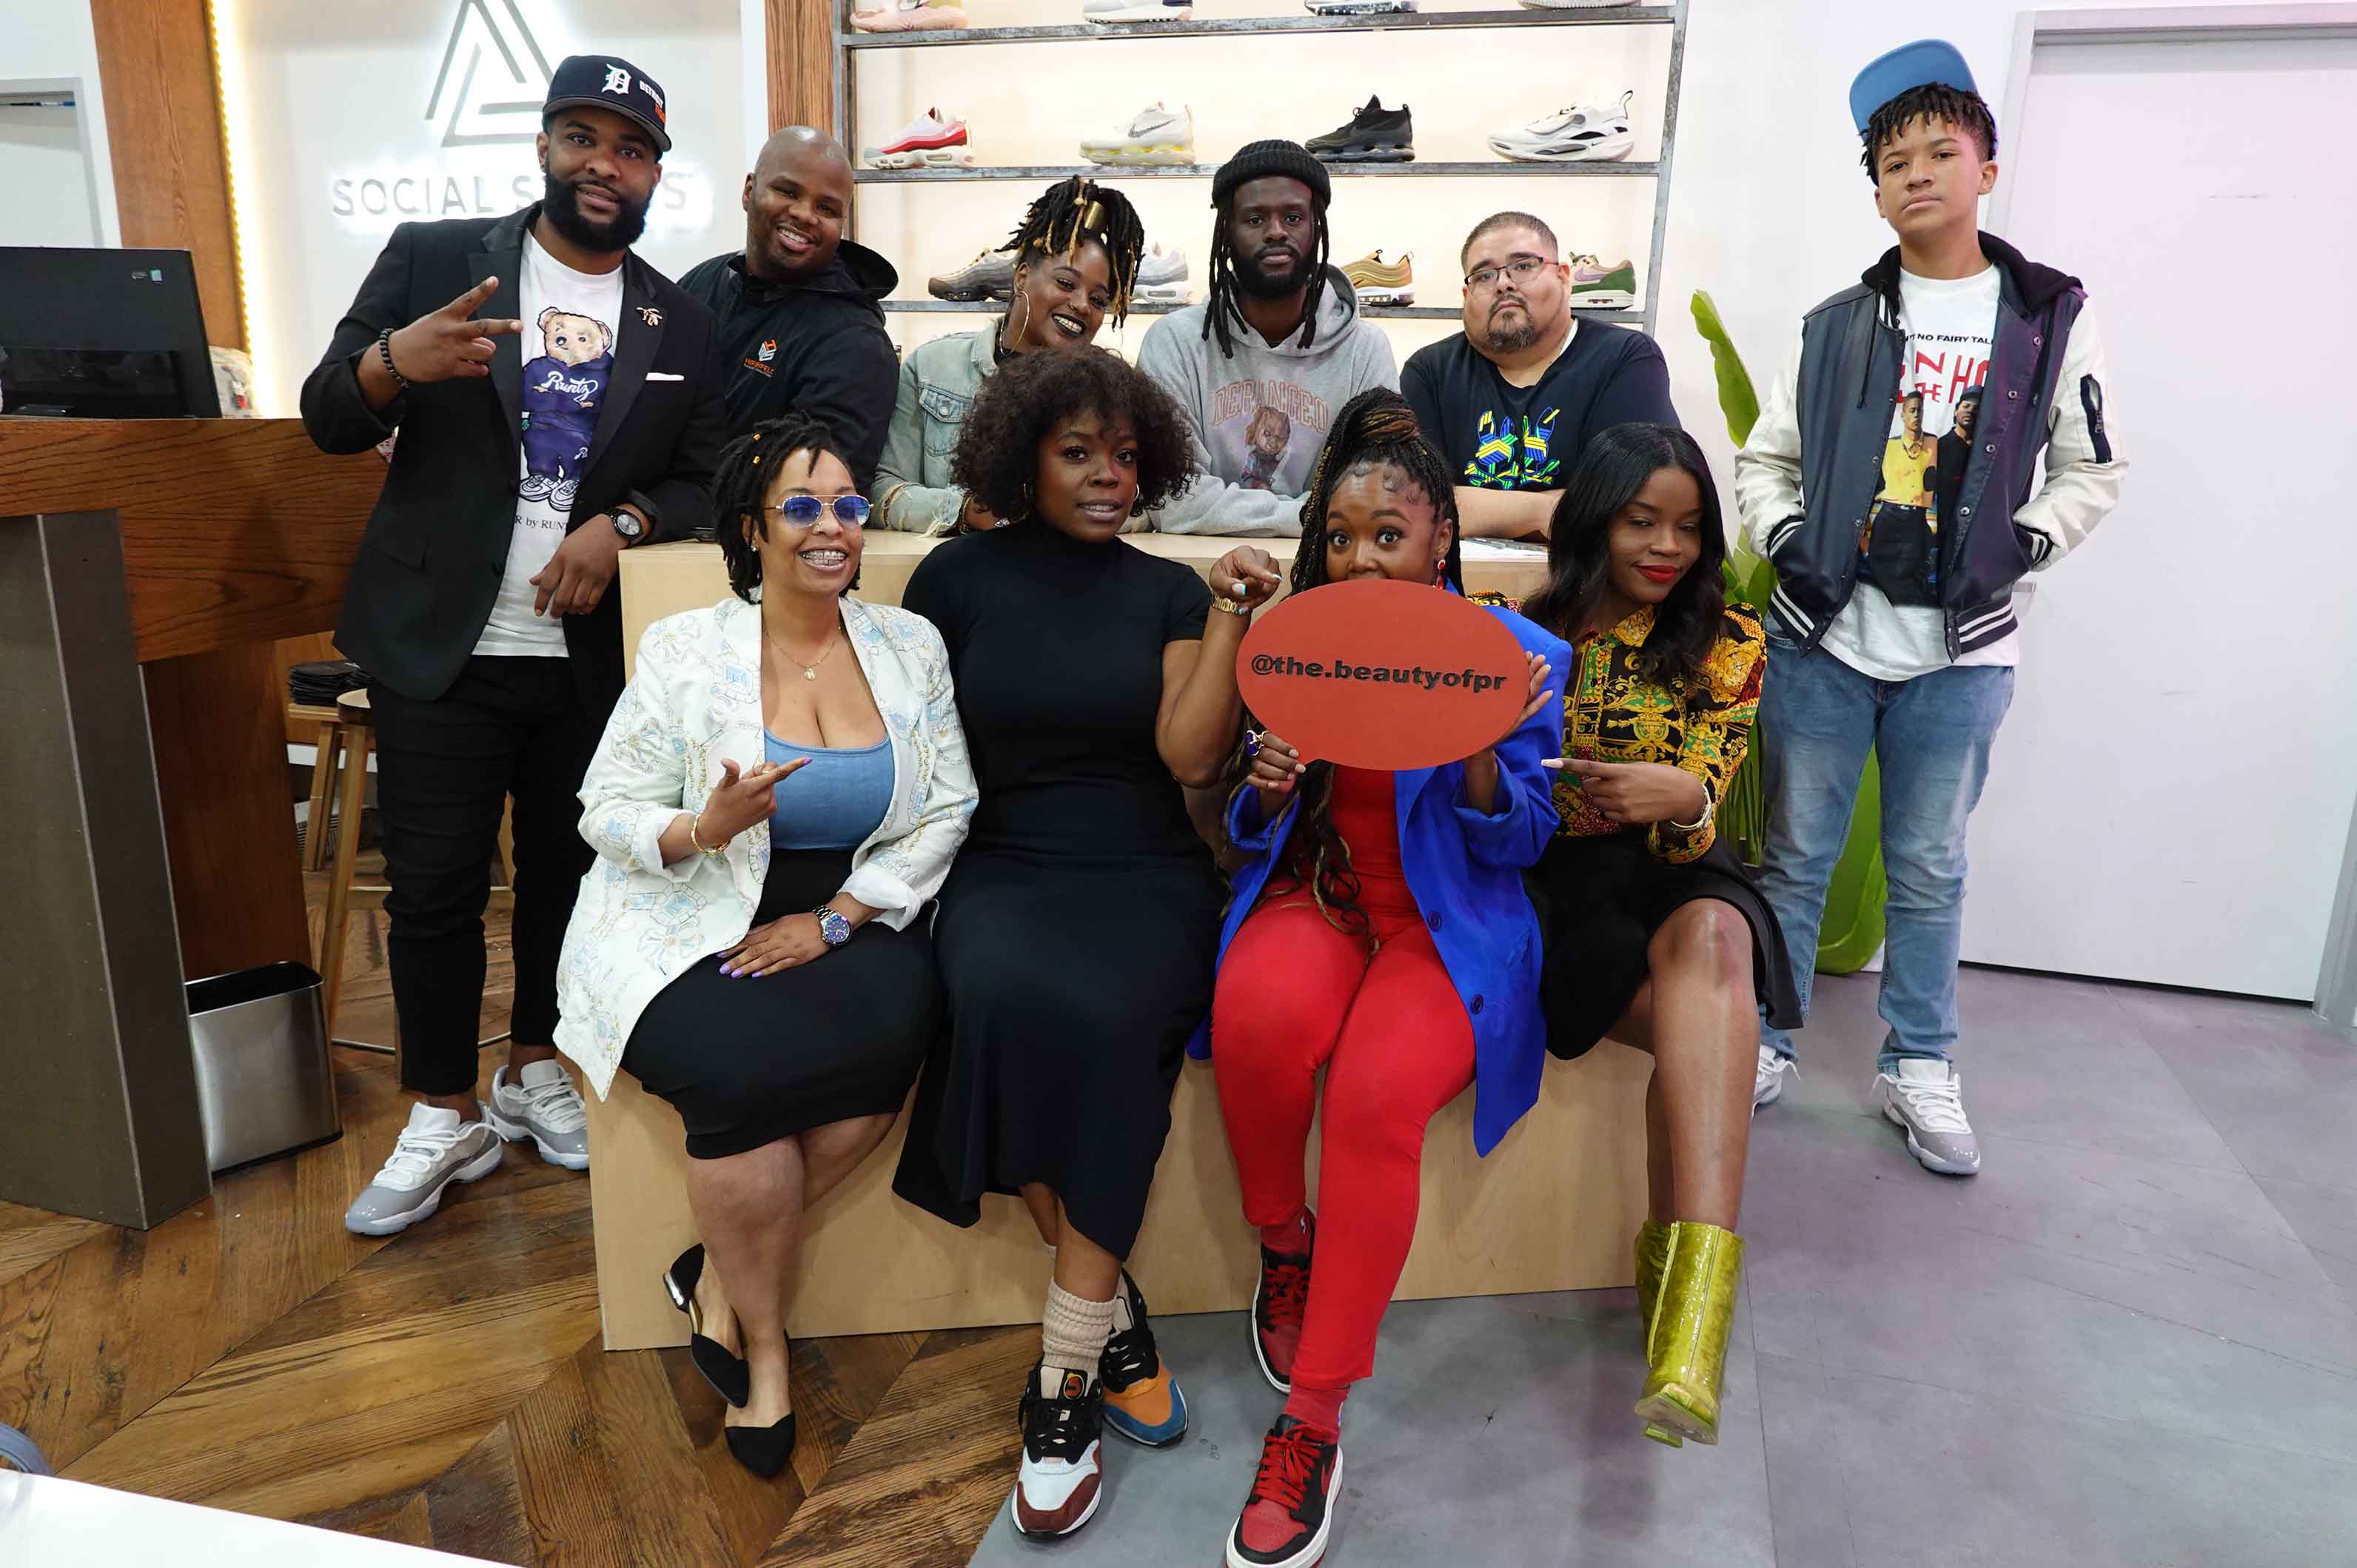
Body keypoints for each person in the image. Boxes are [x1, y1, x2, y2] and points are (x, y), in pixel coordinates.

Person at [299, 55, 726, 1237]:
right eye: (583, 137)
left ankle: (534, 1066)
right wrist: (394, 363)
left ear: (654, 174)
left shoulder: (680, 317)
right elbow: (327, 413)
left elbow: (701, 477)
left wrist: (621, 524)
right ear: (543, 146)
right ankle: (443, 1109)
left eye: (631, 149)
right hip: (437, 641)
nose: (605, 165)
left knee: (567, 875)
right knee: (434, 886)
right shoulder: (437, 258)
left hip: (588, 657)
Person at [888, 346, 1278, 1540]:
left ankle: (1060, 1382)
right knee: (996, 996)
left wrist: (1227, 613)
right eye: (1078, 454)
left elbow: (1191, 759)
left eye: (1124, 455)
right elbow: (919, 749)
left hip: (1148, 869)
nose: (1108, 475)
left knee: (1113, 1024)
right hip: (1003, 863)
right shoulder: (952, 579)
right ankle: (1113, 1325)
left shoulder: (1170, 591)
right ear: (1024, 460)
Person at [552, 410, 973, 1476]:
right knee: (738, 1083)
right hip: (688, 913)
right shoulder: (686, 649)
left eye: (848, 505)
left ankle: (714, 1278)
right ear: (752, 526)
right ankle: (767, 1345)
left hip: (851, 912)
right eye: (802, 507)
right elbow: (605, 807)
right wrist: (704, 826)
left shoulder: (909, 645)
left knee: (887, 1057)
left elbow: (948, 807)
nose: (832, 528)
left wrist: (838, 920)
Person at [1737, 40, 2123, 1174]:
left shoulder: (2048, 316)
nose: (1917, 174)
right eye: (1893, 161)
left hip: (1964, 651)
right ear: (1875, 190)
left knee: (1929, 864)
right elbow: (1766, 460)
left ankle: (1918, 1062)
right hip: (1823, 638)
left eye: (1940, 153)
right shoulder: (1833, 324)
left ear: (1985, 169)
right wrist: (1793, 541)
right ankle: (1765, 1039)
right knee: (1794, 855)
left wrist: (2020, 545)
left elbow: (2092, 466)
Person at [1200, 389, 1566, 1568]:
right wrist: (1264, 789)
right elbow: (1252, 828)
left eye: (1390, 535)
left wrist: (1479, 755)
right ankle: (1284, 1246)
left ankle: (1311, 1421)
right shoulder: (1299, 641)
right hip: (1325, 899)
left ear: (1440, 538)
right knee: (1255, 1016)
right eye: (1343, 535)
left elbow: (1525, 842)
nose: (1362, 558)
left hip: (1447, 931)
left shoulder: (1519, 659)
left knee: (1372, 1096)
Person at [1519, 423, 1802, 1451]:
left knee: (1720, 941)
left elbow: (1706, 797)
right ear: (1597, 518)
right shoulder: (1524, 633)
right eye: (1642, 521)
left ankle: (1692, 1336)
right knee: (1706, 1035)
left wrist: (1684, 798)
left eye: (1687, 526)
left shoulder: (1730, 641)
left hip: (1679, 869)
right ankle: (1674, 1297)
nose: (1667, 547)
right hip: (1561, 890)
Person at [1133, 140, 1399, 536]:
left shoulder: (1366, 350)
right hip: (1196, 566)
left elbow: (1375, 496)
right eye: (1255, 219)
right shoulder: (1174, 343)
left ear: (1316, 227)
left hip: (1331, 568)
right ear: (1227, 232)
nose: (1276, 232)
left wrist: (1224, 514)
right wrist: (1313, 517)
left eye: (1293, 217)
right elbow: (1173, 501)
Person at [874, 177, 1148, 534]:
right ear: (1021, 278)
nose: (1082, 305)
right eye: (1066, 283)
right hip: (957, 562)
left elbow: (1144, 507)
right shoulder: (933, 368)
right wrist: (966, 511)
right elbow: (884, 492)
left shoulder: (1114, 391)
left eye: (1098, 300)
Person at [1401, 211, 1679, 541]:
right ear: (1466, 296)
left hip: (1586, 576)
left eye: (1523, 266)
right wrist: (1550, 510)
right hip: (1459, 575)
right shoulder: (1430, 372)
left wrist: (1473, 507)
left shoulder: (1625, 358)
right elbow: (1415, 509)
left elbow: (1637, 506)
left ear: (1563, 277)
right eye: (1484, 275)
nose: (1503, 284)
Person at [680, 127, 899, 486]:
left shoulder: (857, 344)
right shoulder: (702, 282)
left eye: (826, 209)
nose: (805, 215)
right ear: (749, 191)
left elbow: (814, 492)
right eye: (787, 192)